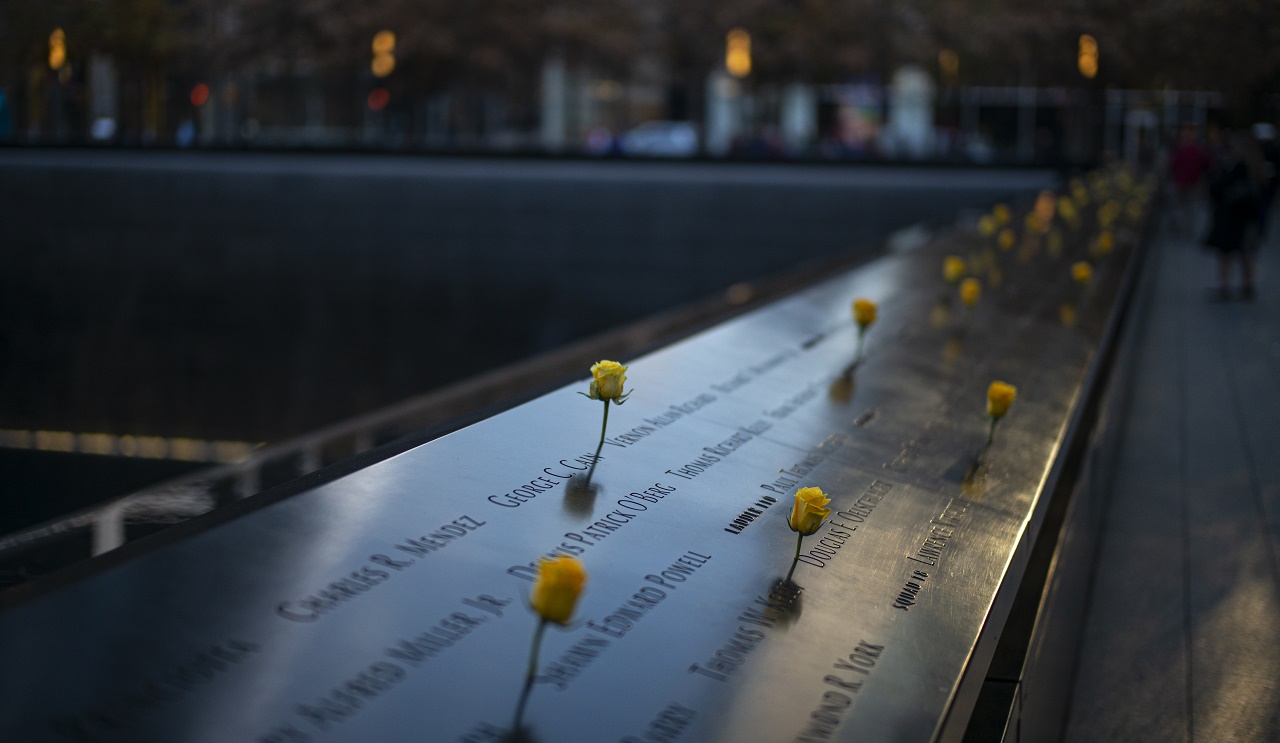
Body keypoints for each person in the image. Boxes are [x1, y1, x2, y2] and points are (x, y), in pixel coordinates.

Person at [1203, 130, 1266, 300]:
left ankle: (1225, 284)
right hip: (1249, 216)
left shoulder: (1237, 166)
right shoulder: (1257, 166)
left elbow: (1221, 186)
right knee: (1246, 251)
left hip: (1234, 215)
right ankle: (1247, 284)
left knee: (1228, 251)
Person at [1169, 123, 1208, 235]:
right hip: (1189, 184)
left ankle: (1183, 230)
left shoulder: (1181, 150)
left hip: (1185, 183)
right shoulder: (1196, 150)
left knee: (1183, 208)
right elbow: (1207, 165)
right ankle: (1187, 230)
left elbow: (1172, 165)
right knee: (1188, 208)